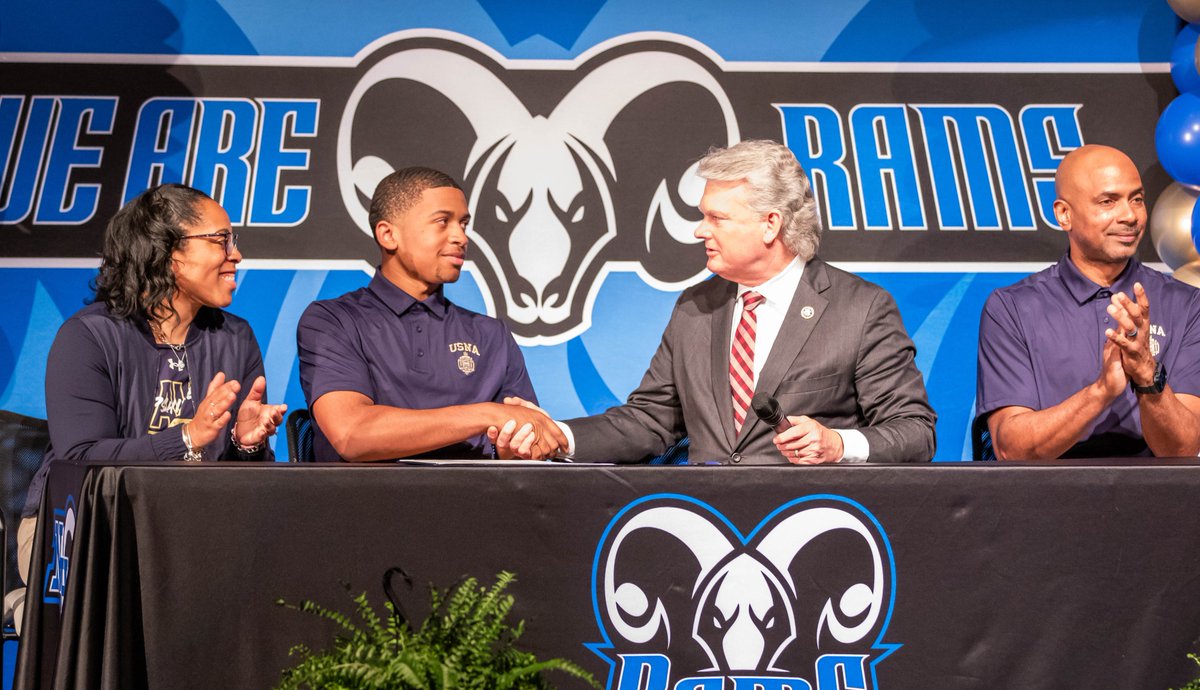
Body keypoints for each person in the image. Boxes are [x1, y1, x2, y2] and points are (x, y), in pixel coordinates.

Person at [495, 139, 936, 464]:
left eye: (716, 218)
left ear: (770, 224)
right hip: (705, 531)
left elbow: (915, 433)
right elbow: (649, 422)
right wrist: (558, 436)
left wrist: (839, 444)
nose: (699, 231)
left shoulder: (859, 309)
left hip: (811, 532)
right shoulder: (695, 308)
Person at [17, 184, 285, 603]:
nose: (236, 255)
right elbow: (81, 457)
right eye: (220, 240)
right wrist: (184, 439)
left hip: (192, 530)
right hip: (84, 528)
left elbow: (238, 479)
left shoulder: (236, 337)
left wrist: (243, 444)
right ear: (167, 252)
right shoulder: (88, 336)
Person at [296, 167, 564, 462]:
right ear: (388, 235)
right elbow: (351, 435)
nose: (460, 237)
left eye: (463, 224)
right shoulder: (334, 321)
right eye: (442, 222)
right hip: (366, 504)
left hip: (475, 503)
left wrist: (513, 448)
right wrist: (488, 413)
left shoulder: (491, 335)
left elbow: (523, 440)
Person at [975, 144, 1200, 459]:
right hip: (1047, 504)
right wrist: (1101, 392)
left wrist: (1147, 374)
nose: (1129, 216)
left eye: (1137, 199)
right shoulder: (1012, 309)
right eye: (1108, 201)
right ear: (1064, 214)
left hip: (1154, 504)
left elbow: (1184, 449)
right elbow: (1012, 450)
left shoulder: (1188, 305)